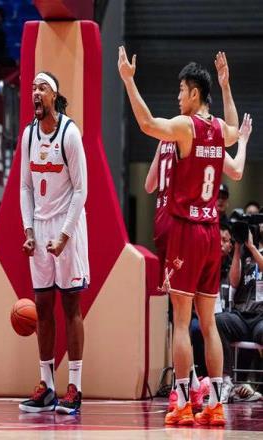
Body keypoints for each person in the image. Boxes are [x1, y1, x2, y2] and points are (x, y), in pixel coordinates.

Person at [119, 48, 240, 425]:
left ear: (194, 93)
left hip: (186, 232)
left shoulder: (186, 127)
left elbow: (146, 123)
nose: (177, 97)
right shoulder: (219, 131)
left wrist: (128, 81)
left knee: (182, 322)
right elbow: (235, 130)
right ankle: (215, 403)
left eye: (181, 90)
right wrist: (227, 87)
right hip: (211, 231)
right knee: (210, 323)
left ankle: (184, 402)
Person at [144, 111, 252, 410]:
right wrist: (242, 140)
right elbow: (235, 169)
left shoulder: (166, 137)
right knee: (197, 319)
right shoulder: (199, 138)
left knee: (179, 316)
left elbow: (149, 186)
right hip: (189, 226)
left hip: (164, 225)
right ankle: (195, 390)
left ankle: (187, 386)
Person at [19, 72, 88, 415]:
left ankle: (74, 386)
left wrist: (64, 236)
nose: (35, 92)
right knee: (42, 305)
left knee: (70, 305)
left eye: (42, 87)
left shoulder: (70, 134)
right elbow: (24, 187)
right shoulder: (29, 135)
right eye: (33, 87)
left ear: (54, 96)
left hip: (67, 226)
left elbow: (81, 190)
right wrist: (28, 230)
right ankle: (46, 385)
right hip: (41, 226)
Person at [216, 225, 263, 402]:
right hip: (242, 315)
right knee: (219, 321)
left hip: (261, 318)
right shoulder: (244, 255)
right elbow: (234, 282)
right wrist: (237, 248)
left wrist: (251, 247)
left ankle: (258, 387)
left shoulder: (253, 251)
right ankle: (226, 381)